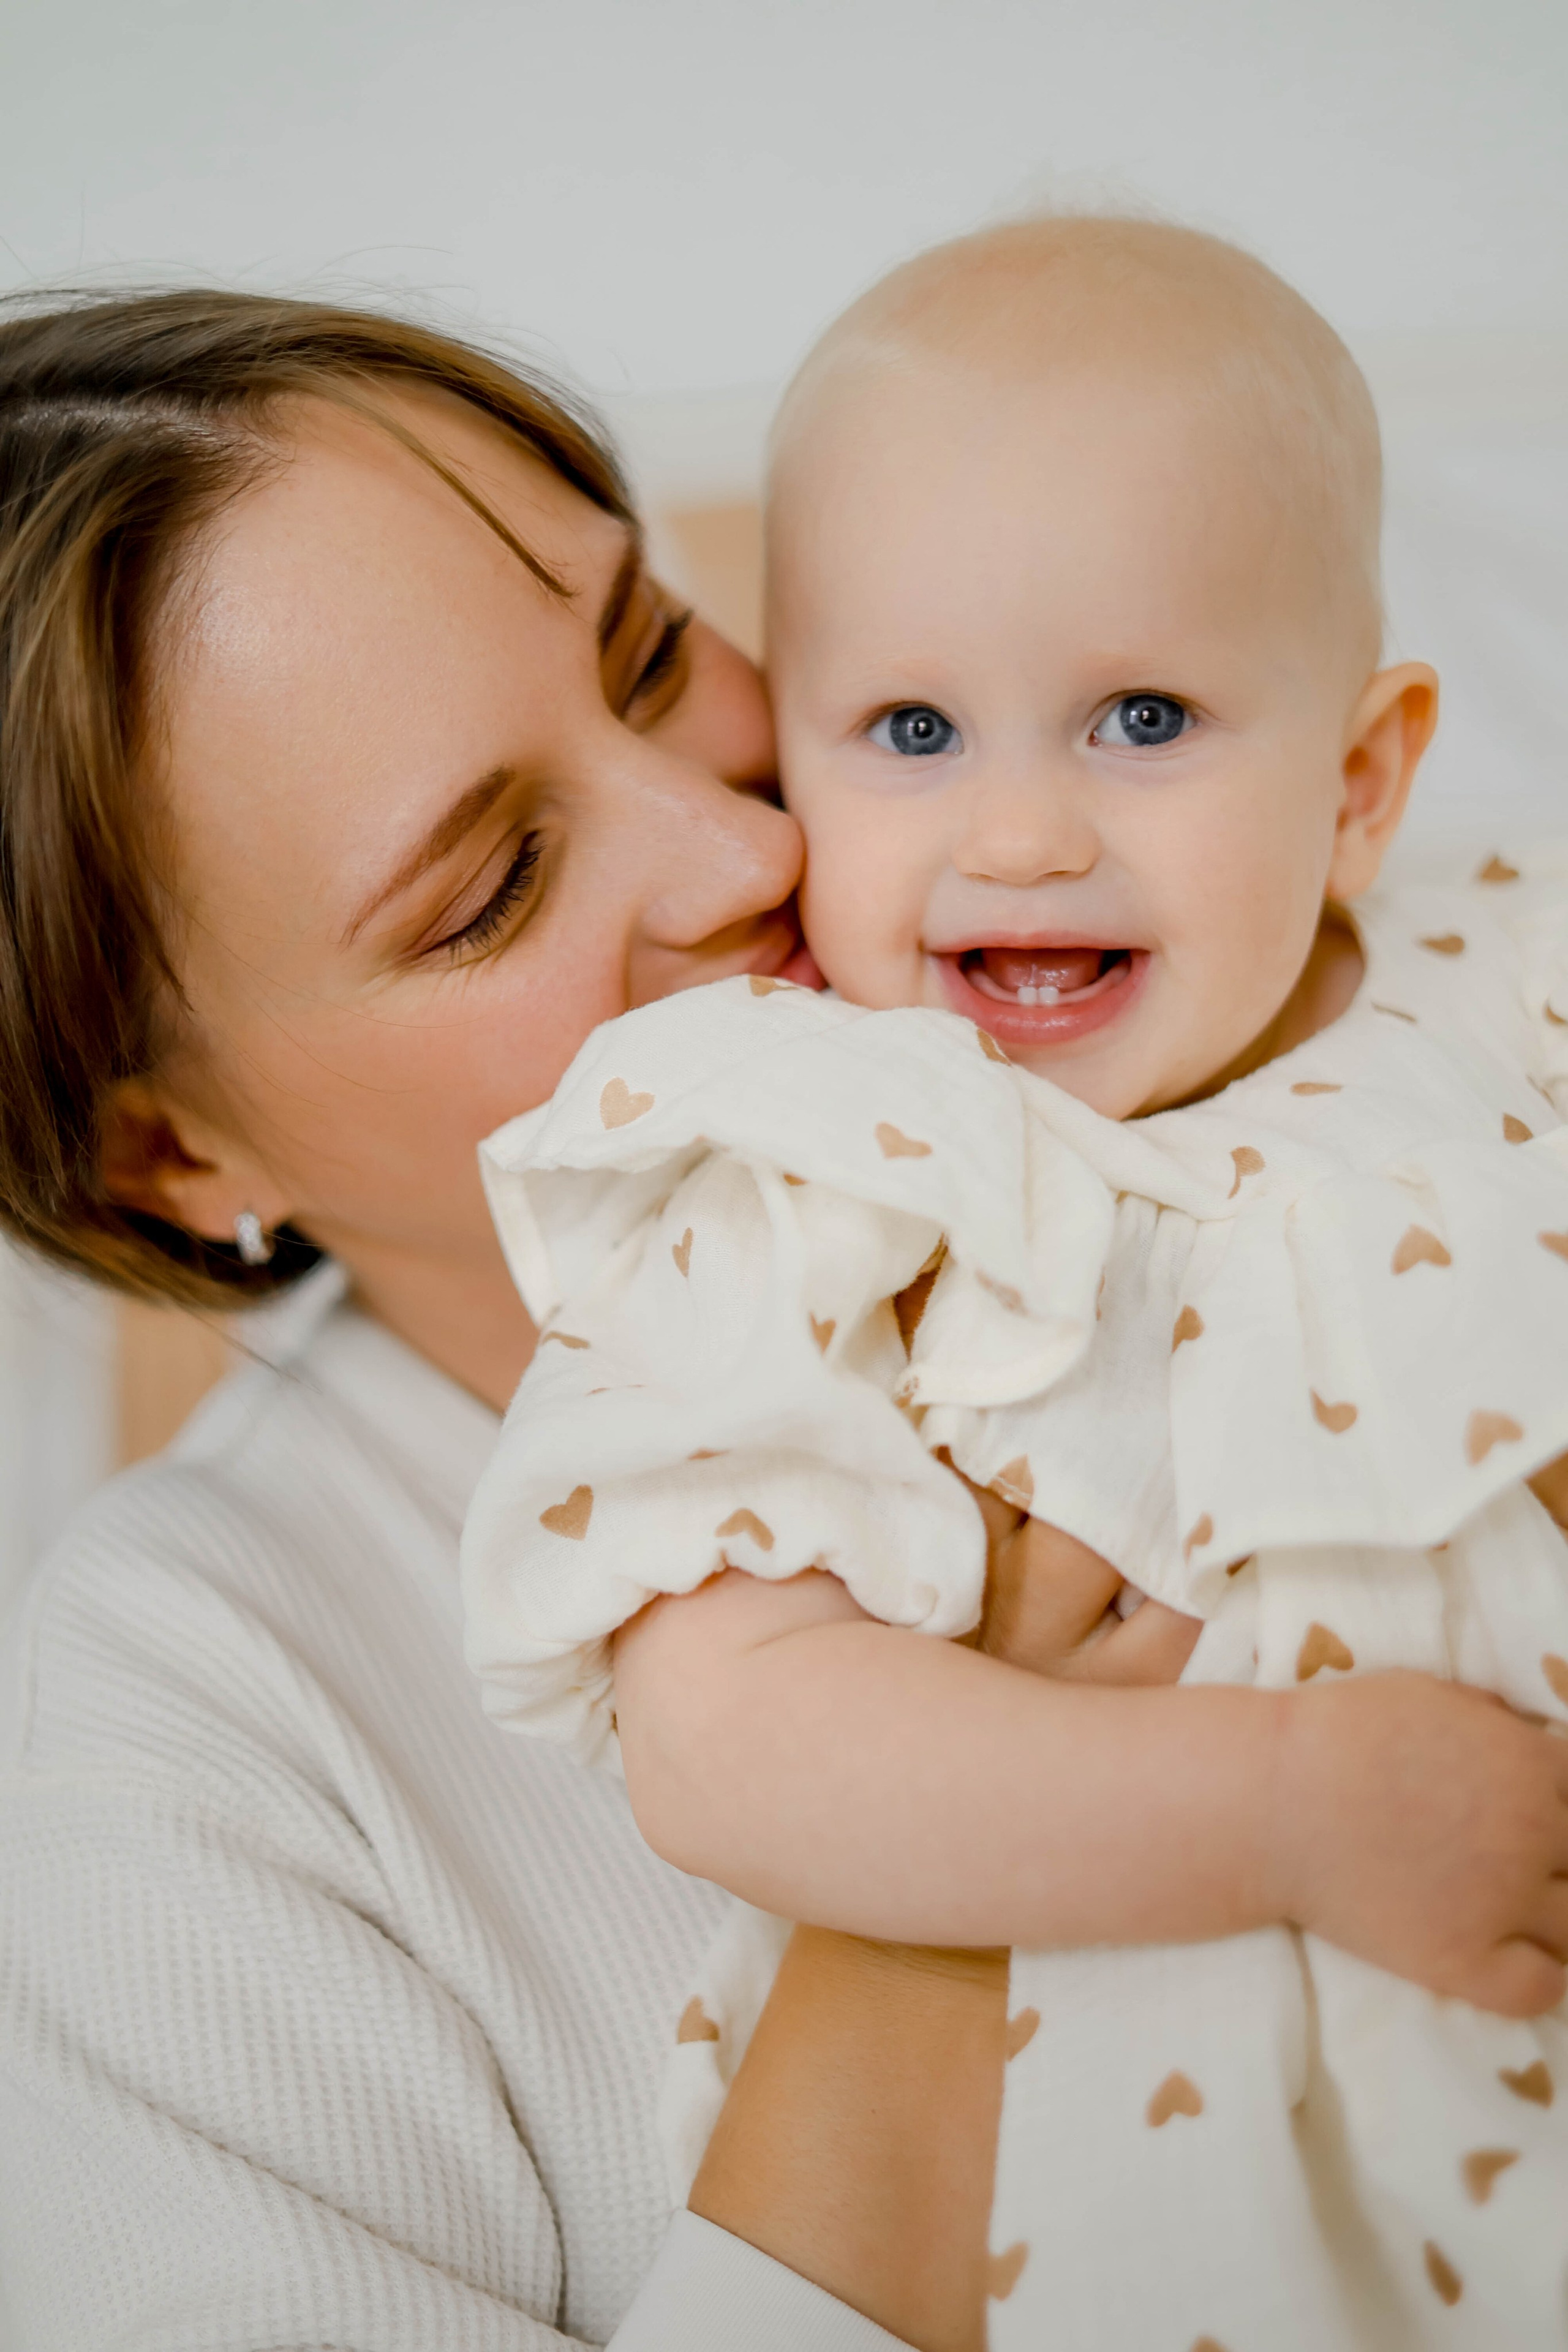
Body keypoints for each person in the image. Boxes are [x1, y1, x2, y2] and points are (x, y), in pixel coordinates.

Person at [457, 219, 1568, 2349]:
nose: (1027, 832)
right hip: (1125, 2210)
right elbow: (735, 1740)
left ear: (1358, 781)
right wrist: (1286, 1811)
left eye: (1140, 716)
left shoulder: (1499, 983)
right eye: (910, 727)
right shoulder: (808, 1158)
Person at [0, 284, 1049, 2352]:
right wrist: (962, 1840)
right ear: (170, 1159)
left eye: (652, 649)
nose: (747, 842)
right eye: (489, 888)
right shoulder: (178, 1731)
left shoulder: (1268, 1063)